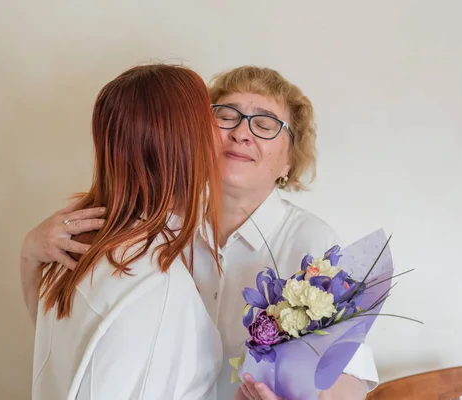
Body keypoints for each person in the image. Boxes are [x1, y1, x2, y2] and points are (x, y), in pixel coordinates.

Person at [19, 66, 379, 400]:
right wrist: (29, 254)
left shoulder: (314, 245)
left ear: (289, 160)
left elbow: (350, 377)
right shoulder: (149, 226)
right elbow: (69, 336)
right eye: (227, 116)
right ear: (197, 137)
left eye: (265, 124)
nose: (241, 133)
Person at [23, 64, 224, 400]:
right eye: (210, 116)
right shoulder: (156, 286)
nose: (224, 133)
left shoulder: (69, 246)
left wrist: (28, 254)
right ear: (184, 143)